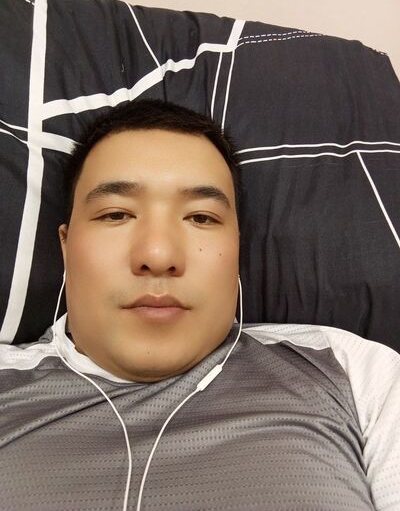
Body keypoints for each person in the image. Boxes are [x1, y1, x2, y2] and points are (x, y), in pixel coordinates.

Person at [0, 99, 399, 511]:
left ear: (237, 247)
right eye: (116, 214)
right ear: (65, 245)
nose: (158, 255)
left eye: (201, 218)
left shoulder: (352, 373)